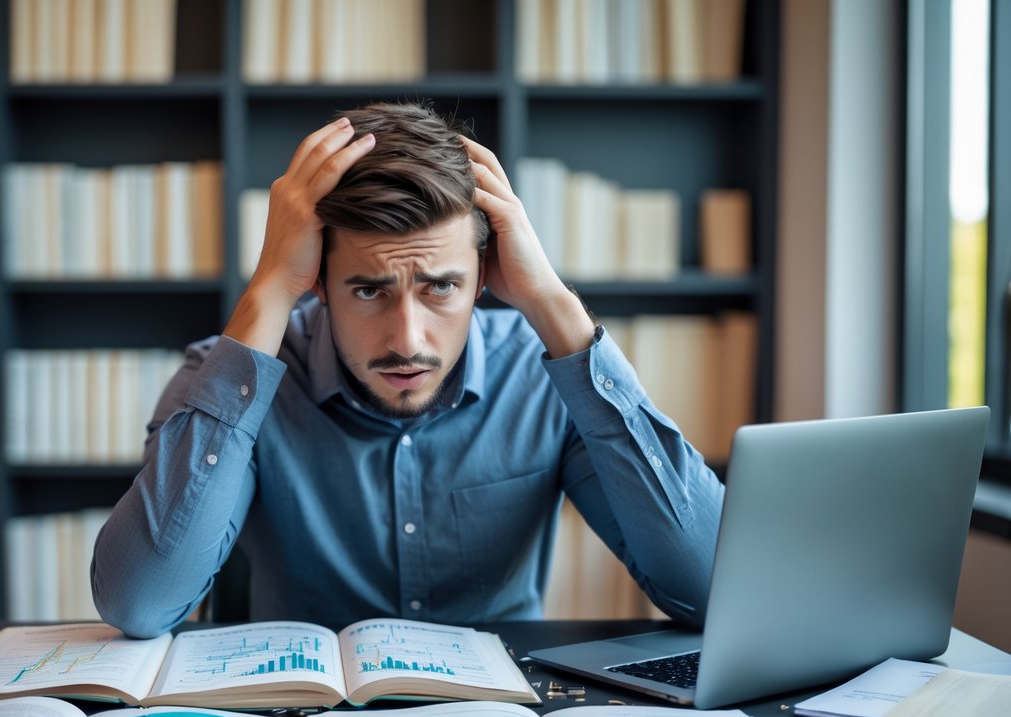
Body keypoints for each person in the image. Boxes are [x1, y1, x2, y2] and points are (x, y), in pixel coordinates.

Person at [91, 102, 725, 638]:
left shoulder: (542, 377)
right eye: (369, 290)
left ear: (486, 275)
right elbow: (140, 604)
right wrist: (267, 292)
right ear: (316, 280)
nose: (408, 340)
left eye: (441, 286)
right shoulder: (228, 377)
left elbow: (714, 588)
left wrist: (553, 304)